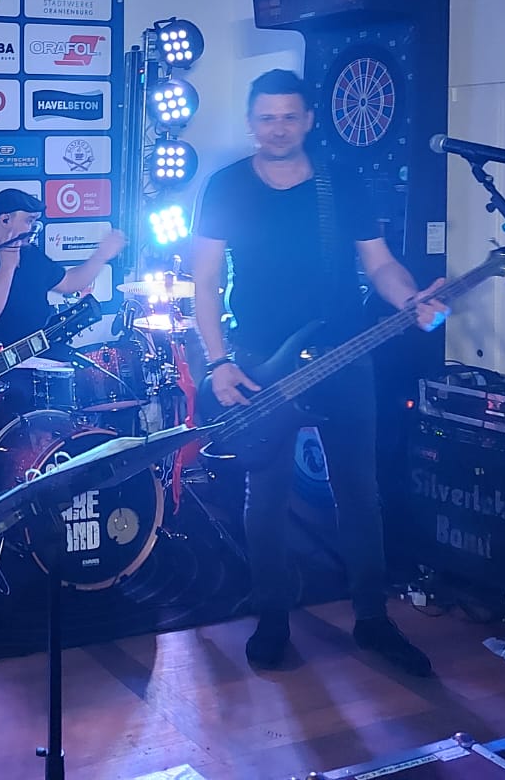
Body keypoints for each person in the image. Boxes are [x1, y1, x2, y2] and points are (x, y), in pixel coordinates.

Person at [189, 69, 446, 677]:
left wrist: (409, 297)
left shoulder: (342, 181)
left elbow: (380, 265)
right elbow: (204, 280)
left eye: (289, 116)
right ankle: (272, 616)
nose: (278, 128)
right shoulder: (227, 185)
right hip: (258, 357)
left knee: (359, 491)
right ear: (251, 123)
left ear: (308, 120)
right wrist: (219, 362)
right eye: (267, 117)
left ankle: (373, 618)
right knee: (266, 494)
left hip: (343, 352)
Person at [0, 189, 125, 351]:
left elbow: (68, 283)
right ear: (5, 220)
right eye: (28, 221)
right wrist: (7, 266)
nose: (33, 228)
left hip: (42, 353)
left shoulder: (31, 255)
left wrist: (101, 256)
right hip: (0, 362)